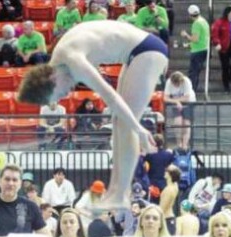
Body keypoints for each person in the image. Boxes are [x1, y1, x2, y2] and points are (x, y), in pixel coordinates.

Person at [17, 20, 168, 211]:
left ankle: (121, 195)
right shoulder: (58, 60)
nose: (67, 94)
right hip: (135, 53)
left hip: (148, 51)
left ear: (52, 79)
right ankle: (114, 191)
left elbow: (111, 98)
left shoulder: (73, 61)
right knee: (118, 120)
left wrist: (139, 130)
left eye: (61, 93)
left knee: (126, 122)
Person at [211, 6, 231, 93]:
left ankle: (230, 76)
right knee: (225, 66)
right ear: (228, 13)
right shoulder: (219, 22)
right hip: (223, 46)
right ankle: (226, 85)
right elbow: (215, 34)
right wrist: (217, 43)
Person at [180, 5, 210, 92]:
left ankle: (191, 91)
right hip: (203, 49)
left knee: (193, 73)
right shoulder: (204, 21)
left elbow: (195, 39)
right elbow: (202, 38)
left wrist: (186, 35)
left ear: (190, 14)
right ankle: (193, 90)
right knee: (195, 72)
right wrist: (190, 44)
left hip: (197, 51)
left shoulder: (196, 23)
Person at [163, 71, 195, 150]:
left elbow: (186, 97)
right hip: (176, 103)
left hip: (188, 102)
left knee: (186, 123)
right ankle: (179, 142)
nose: (176, 86)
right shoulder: (169, 82)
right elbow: (165, 98)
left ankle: (185, 144)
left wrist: (176, 100)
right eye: (175, 84)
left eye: (178, 84)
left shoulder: (186, 81)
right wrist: (177, 102)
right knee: (178, 122)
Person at [159, 164, 180, 235]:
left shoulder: (168, 190)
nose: (165, 172)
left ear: (170, 174)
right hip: (170, 219)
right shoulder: (175, 186)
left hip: (166, 219)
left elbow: (162, 209)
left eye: (166, 170)